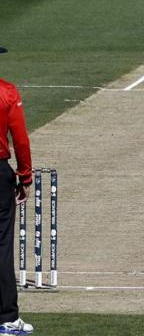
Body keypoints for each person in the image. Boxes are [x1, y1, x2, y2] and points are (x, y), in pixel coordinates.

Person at [0, 66, 33, 334]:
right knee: (1, 245)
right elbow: (20, 139)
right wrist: (25, 177)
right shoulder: (7, 91)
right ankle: (7, 318)